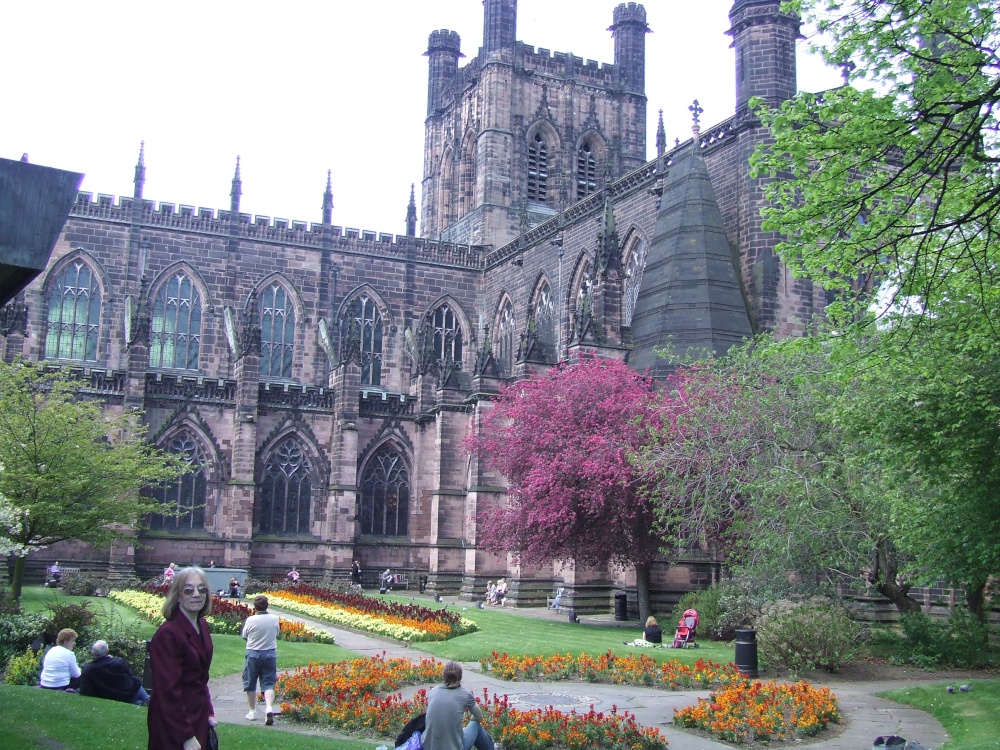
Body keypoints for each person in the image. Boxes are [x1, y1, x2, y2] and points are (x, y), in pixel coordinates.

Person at [148, 566, 215, 750]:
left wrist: (208, 711)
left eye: (202, 589)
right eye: (188, 590)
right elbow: (167, 690)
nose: (196, 594)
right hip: (173, 721)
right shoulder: (168, 634)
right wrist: (186, 736)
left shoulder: (202, 625)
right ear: (178, 595)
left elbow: (201, 679)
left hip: (198, 714)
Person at [424, 661, 495, 750]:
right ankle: (492, 748)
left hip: (429, 747)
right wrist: (471, 720)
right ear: (460, 677)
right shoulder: (465, 694)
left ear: (443, 675)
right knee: (475, 725)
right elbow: (479, 716)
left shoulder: (433, 692)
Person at [241, 595, 281, 725]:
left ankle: (252, 711)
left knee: (250, 682)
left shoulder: (251, 620)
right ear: (267, 605)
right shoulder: (274, 618)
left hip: (253, 652)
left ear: (255, 607)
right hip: (269, 653)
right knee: (268, 682)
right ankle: (268, 708)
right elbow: (277, 633)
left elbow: (244, 636)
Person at [79, 639, 149, 705]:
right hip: (126, 694)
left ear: (92, 653)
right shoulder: (118, 662)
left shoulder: (88, 669)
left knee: (133, 683)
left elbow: (85, 689)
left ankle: (143, 701)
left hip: (108, 695)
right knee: (134, 681)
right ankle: (146, 699)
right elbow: (130, 674)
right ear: (107, 651)